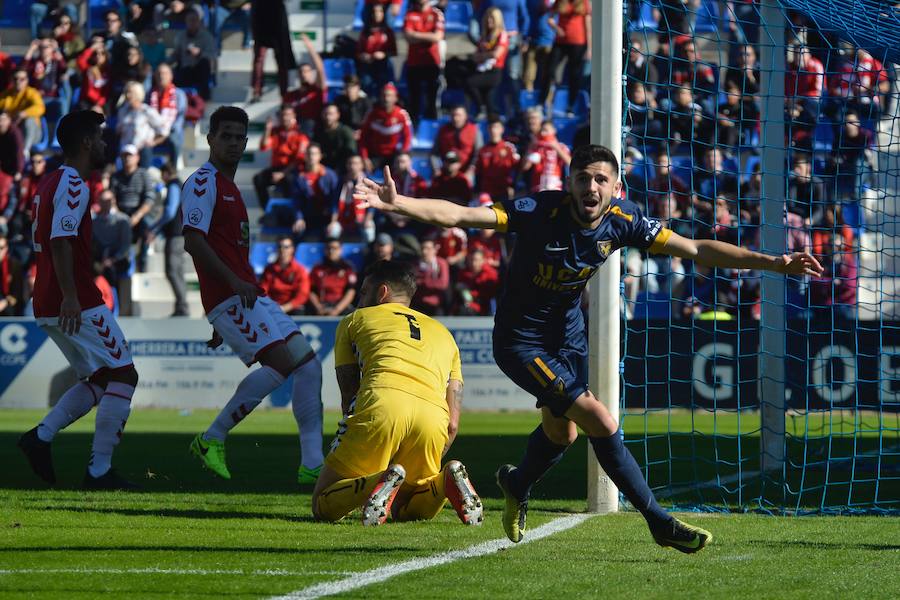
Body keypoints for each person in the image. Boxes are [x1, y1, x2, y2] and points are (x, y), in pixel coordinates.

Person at [354, 143, 823, 551]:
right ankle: (658, 522)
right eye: (582, 178)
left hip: (568, 336)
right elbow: (461, 215)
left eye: (601, 179)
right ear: (570, 182)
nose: (591, 187)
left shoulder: (623, 221)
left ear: (615, 187)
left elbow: (697, 249)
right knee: (600, 419)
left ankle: (516, 483)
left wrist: (774, 263)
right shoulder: (539, 212)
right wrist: (400, 204)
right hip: (521, 341)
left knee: (564, 434)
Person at [183, 106, 324, 485]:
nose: (231, 142)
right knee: (279, 364)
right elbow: (193, 241)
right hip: (235, 294)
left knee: (308, 366)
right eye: (224, 135)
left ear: (246, 143)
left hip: (248, 295)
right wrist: (224, 294)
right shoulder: (202, 182)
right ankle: (211, 437)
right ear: (210, 139)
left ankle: (313, 463)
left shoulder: (231, 188)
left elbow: (223, 247)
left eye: (238, 137)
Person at [17, 110, 141, 490]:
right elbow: (59, 240)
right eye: (100, 138)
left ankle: (41, 437)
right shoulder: (73, 183)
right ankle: (98, 471)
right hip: (73, 297)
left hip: (49, 297)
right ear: (87, 142)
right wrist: (72, 295)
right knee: (125, 374)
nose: (104, 144)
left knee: (103, 377)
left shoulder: (50, 181)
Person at [311, 260, 482, 526]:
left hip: (381, 402)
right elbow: (453, 423)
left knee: (322, 503)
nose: (360, 299)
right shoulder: (445, 334)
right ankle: (445, 479)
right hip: (433, 417)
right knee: (404, 508)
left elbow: (349, 394)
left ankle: (378, 480)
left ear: (382, 292)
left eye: (364, 292)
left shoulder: (354, 320)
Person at [147, 161, 188, 317]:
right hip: (180, 235)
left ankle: (182, 307)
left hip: (175, 236)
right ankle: (181, 306)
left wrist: (154, 228)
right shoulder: (180, 185)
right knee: (177, 271)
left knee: (172, 271)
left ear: (165, 173)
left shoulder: (173, 186)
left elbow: (170, 212)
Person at [253, 105, 309, 211]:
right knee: (258, 179)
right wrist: (267, 129)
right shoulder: (275, 131)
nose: (285, 118)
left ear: (294, 116)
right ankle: (267, 211)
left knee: (290, 181)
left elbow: (299, 159)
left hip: (292, 170)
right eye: (282, 115)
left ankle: (292, 213)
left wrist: (283, 173)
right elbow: (264, 147)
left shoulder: (301, 133)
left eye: (288, 115)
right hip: (277, 168)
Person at [403, 0, 445, 122]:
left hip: (431, 62)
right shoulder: (410, 14)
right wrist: (428, 36)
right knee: (414, 99)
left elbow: (437, 37)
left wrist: (415, 35)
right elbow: (408, 37)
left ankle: (430, 128)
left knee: (432, 99)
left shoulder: (436, 14)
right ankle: (413, 129)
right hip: (414, 63)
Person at [359, 83, 412, 173]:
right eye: (384, 95)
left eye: (389, 96)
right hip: (374, 154)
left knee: (403, 166)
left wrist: (402, 154)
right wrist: (364, 158)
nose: (386, 99)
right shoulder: (372, 114)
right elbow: (363, 138)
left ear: (395, 98)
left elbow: (408, 137)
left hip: (393, 155)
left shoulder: (402, 114)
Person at [250, 0, 296, 101]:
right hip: (261, 15)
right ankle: (256, 91)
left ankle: (284, 93)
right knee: (259, 58)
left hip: (277, 18)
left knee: (281, 57)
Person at [0, 69, 47, 157]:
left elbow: (40, 108)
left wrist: (23, 113)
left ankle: (24, 151)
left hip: (33, 134)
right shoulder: (5, 95)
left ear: (27, 80)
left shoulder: (32, 93)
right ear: (11, 80)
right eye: (15, 78)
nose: (18, 81)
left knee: (29, 120)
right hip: (13, 131)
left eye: (22, 79)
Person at [172, 7, 216, 100]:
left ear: (199, 22)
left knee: (205, 64)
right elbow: (175, 55)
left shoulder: (207, 37)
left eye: (194, 20)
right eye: (189, 20)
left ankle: (204, 99)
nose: (192, 23)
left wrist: (199, 53)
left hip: (200, 70)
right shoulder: (180, 36)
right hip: (185, 69)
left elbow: (212, 55)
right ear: (186, 22)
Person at [260, 236, 311, 315]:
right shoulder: (269, 269)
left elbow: (303, 294)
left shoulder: (300, 270)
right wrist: (272, 307)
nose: (282, 250)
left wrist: (285, 308)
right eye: (280, 247)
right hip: (272, 307)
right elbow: (263, 291)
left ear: (292, 249)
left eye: (286, 247)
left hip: (292, 308)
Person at [356, 3, 397, 97]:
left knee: (383, 87)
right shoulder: (365, 31)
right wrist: (363, 56)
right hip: (367, 66)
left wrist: (383, 54)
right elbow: (358, 52)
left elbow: (394, 51)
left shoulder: (388, 32)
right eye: (374, 11)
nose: (377, 14)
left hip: (383, 65)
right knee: (366, 84)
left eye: (380, 11)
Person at [308, 237, 357, 316]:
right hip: (322, 306)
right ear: (324, 250)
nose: (331, 251)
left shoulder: (347, 268)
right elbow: (311, 291)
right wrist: (318, 308)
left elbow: (351, 291)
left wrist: (337, 310)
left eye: (335, 248)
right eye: (328, 248)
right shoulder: (317, 268)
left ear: (340, 250)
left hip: (340, 306)